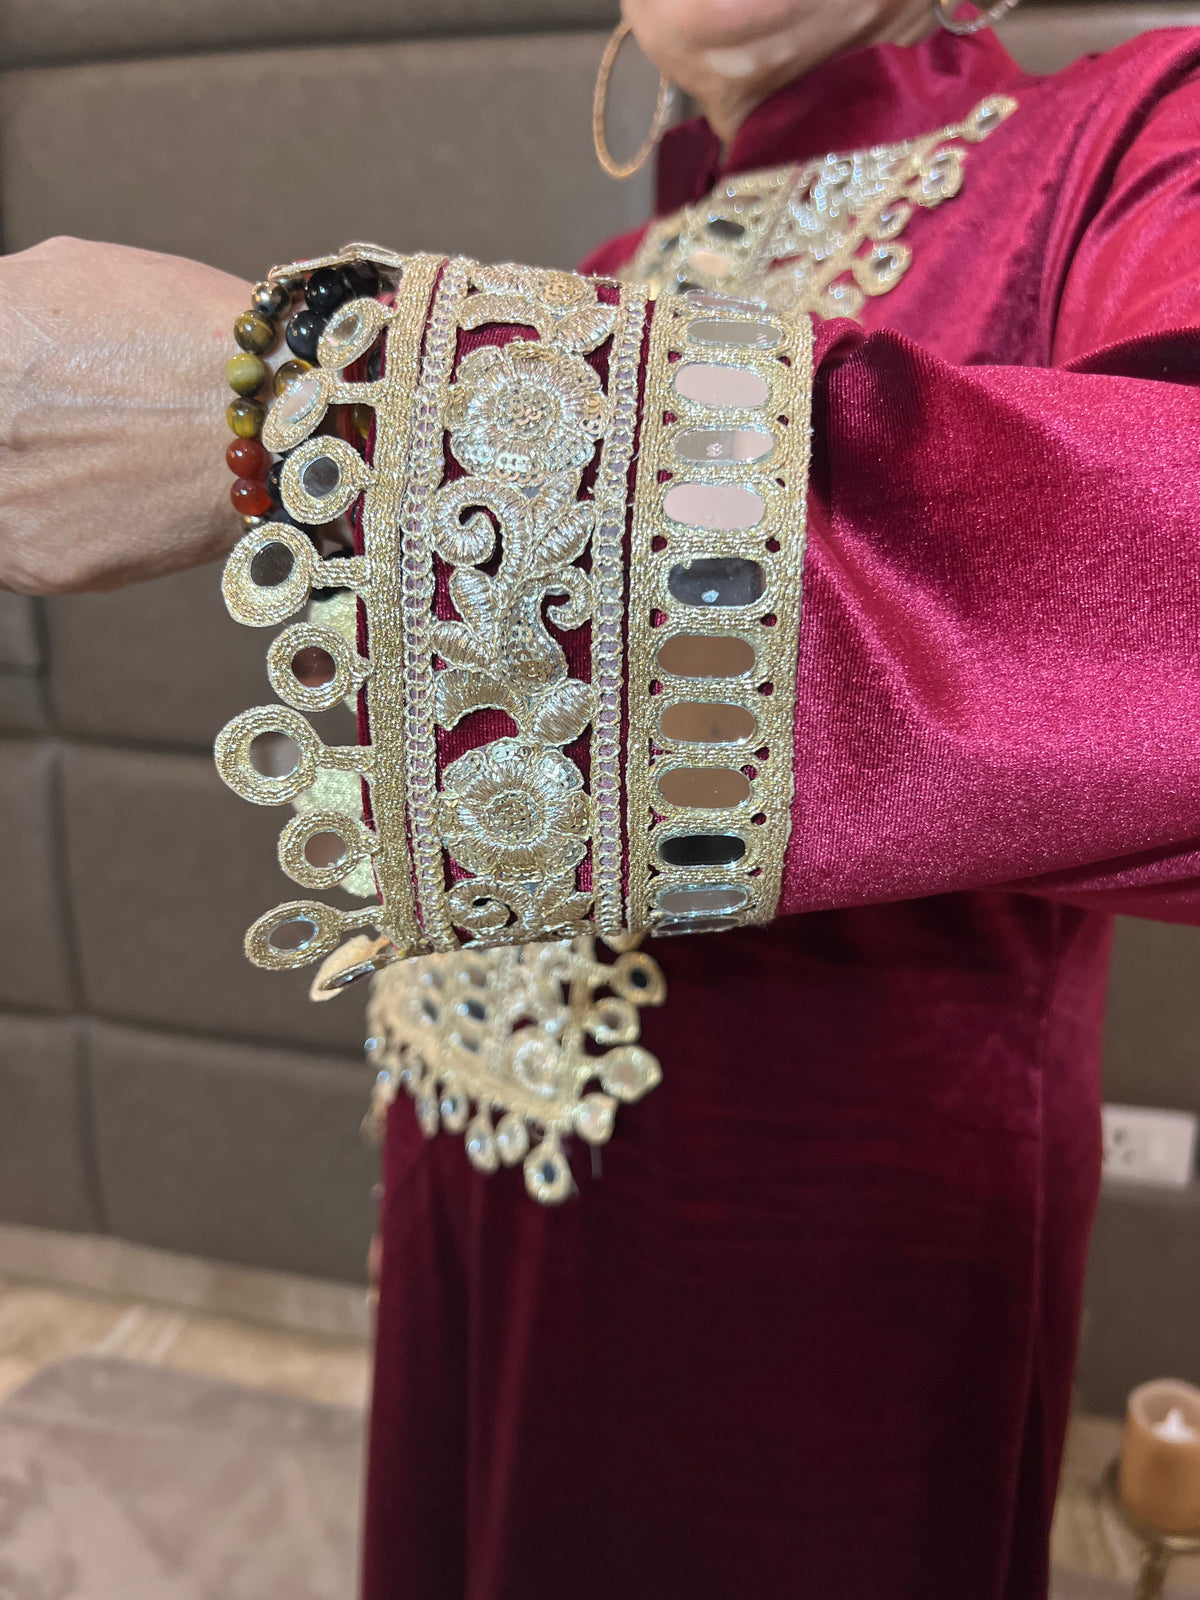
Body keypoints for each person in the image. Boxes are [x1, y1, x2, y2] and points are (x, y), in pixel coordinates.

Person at [4, 0, 1200, 1595]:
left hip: (802, 1244)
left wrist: (328, 398)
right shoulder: (621, 269)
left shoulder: (1128, 139)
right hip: (489, 1164)